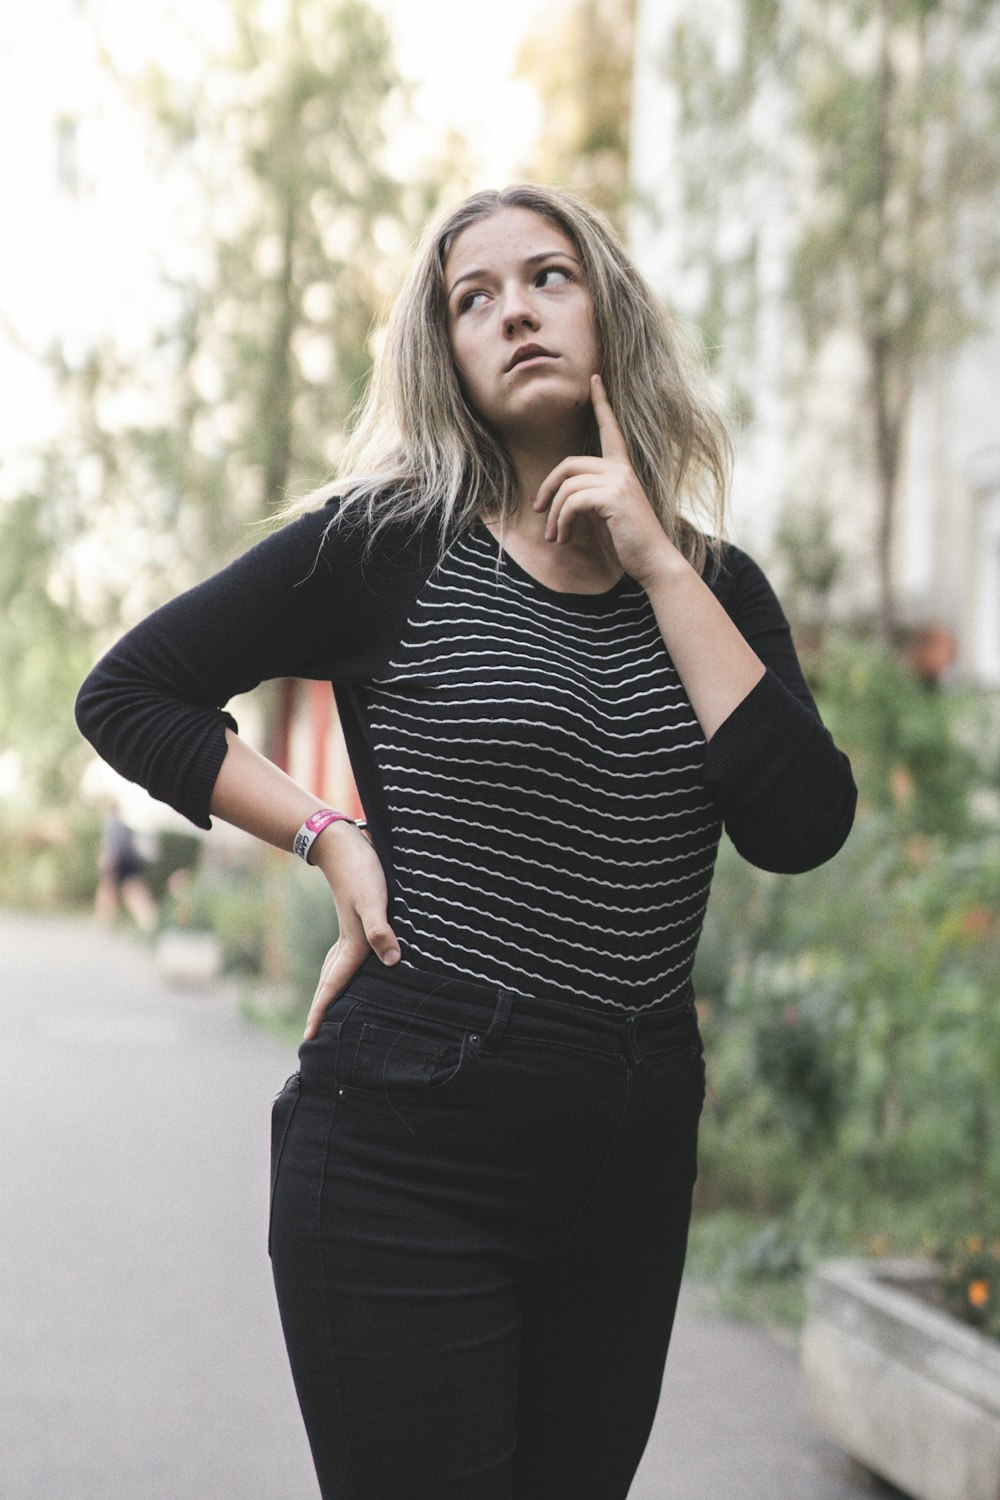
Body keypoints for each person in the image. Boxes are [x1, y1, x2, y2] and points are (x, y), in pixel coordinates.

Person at [75, 184, 857, 1500]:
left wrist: (657, 558)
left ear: (609, 311)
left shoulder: (717, 589)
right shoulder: (387, 548)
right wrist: (329, 834)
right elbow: (129, 693)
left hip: (632, 1139)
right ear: (443, 350)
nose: (514, 313)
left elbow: (800, 823)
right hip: (411, 1134)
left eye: (547, 278)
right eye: (472, 299)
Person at [94, 799, 158, 934]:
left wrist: (106, 862)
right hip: (131, 862)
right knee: (132, 891)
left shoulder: (112, 825)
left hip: (119, 862)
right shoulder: (125, 826)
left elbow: (113, 847)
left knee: (108, 891)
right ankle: (149, 921)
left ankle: (103, 922)